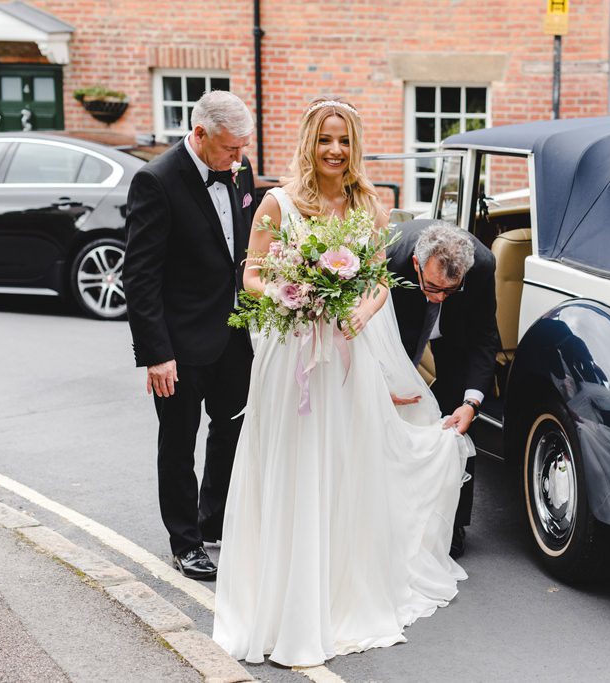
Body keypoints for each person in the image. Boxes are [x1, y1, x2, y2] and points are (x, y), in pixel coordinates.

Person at [211, 97, 471, 667]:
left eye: (345, 140)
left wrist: (365, 310)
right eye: (326, 139)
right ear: (310, 142)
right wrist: (290, 293)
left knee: (343, 468)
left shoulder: (369, 206)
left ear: (354, 147)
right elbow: (250, 276)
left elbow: (378, 280)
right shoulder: (277, 204)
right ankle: (280, 603)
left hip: (346, 357)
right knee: (295, 464)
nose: (335, 150)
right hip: (292, 357)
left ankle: (337, 595)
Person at [121, 90, 260, 581]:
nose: (239, 159)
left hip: (236, 336)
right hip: (178, 346)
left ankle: (213, 520)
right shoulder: (155, 180)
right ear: (200, 134)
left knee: (231, 432)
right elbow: (140, 277)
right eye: (230, 149)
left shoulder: (239, 171)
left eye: (243, 148)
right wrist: (156, 354)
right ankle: (185, 543)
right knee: (179, 443)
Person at [383, 220, 498, 558]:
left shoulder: (482, 264)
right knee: (391, 420)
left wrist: (472, 403)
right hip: (398, 335)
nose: (439, 297)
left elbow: (484, 338)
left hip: (455, 342)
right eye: (433, 287)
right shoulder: (392, 255)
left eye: (450, 290)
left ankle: (452, 525)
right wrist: (379, 380)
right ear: (418, 265)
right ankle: (390, 515)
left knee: (454, 428)